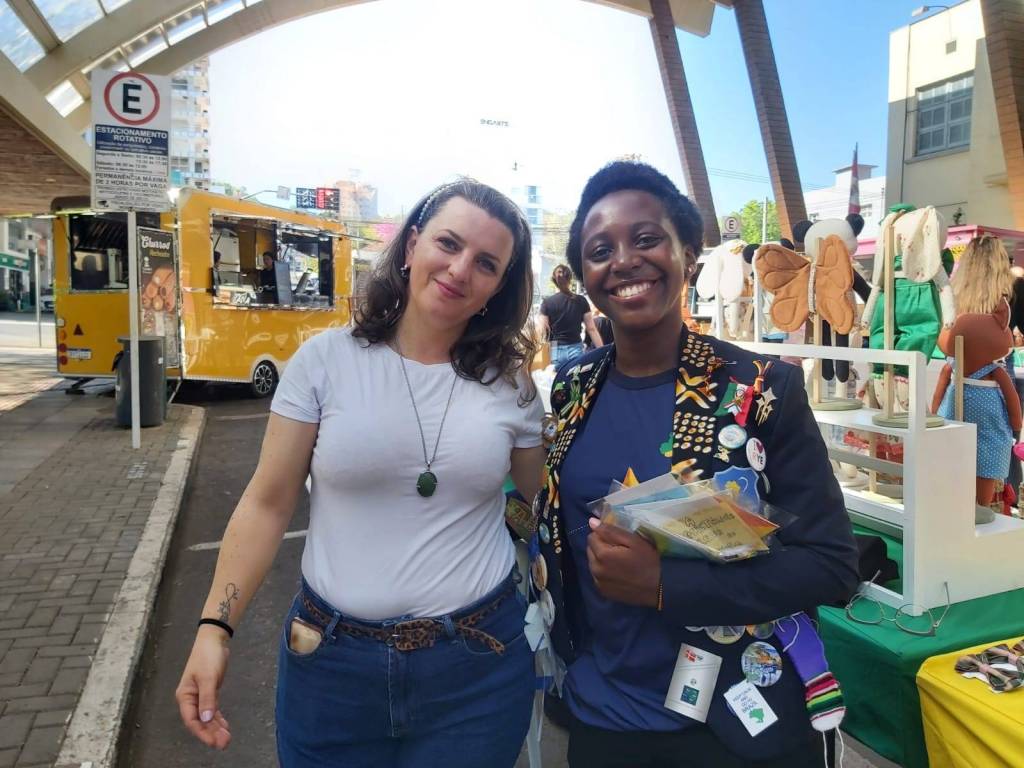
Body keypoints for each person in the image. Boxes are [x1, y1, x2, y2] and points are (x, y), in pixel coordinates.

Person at [175, 179, 547, 767]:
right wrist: (214, 628)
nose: (459, 269)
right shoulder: (325, 362)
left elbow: (540, 501)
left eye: (486, 263)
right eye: (448, 243)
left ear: (498, 287)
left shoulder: (512, 385)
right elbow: (267, 504)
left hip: (477, 666)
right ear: (412, 246)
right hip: (331, 667)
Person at [531, 162, 860, 767]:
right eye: (600, 250)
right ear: (585, 276)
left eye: (646, 239)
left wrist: (665, 586)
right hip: (603, 714)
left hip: (734, 724)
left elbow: (832, 566)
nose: (624, 260)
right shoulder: (574, 386)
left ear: (688, 253)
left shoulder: (760, 388)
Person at [950, 234, 1022, 499]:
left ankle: (958, 499)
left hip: (959, 375)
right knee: (1000, 439)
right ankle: (1002, 498)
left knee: (955, 440)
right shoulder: (1013, 291)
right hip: (997, 374)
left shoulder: (955, 293)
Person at [537, 264, 603, 368]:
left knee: (558, 377)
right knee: (575, 377)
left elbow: (542, 330)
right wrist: (602, 352)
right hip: (575, 346)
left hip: (555, 347)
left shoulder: (547, 303)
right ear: (570, 278)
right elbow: (591, 329)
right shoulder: (581, 300)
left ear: (554, 280)